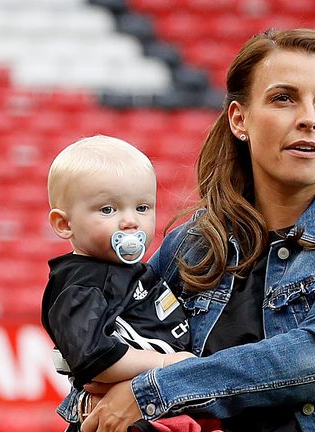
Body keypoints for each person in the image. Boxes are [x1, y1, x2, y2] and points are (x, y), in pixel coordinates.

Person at [79, 28, 315, 432]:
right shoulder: (193, 245)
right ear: (239, 119)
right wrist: (95, 389)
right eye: (284, 98)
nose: (309, 119)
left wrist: (152, 391)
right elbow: (111, 343)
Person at [42, 135, 200, 430]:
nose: (131, 222)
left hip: (159, 407)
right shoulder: (80, 286)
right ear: (65, 224)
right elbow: (94, 356)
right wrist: (166, 365)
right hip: (120, 416)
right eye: (108, 210)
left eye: (142, 208)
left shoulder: (134, 271)